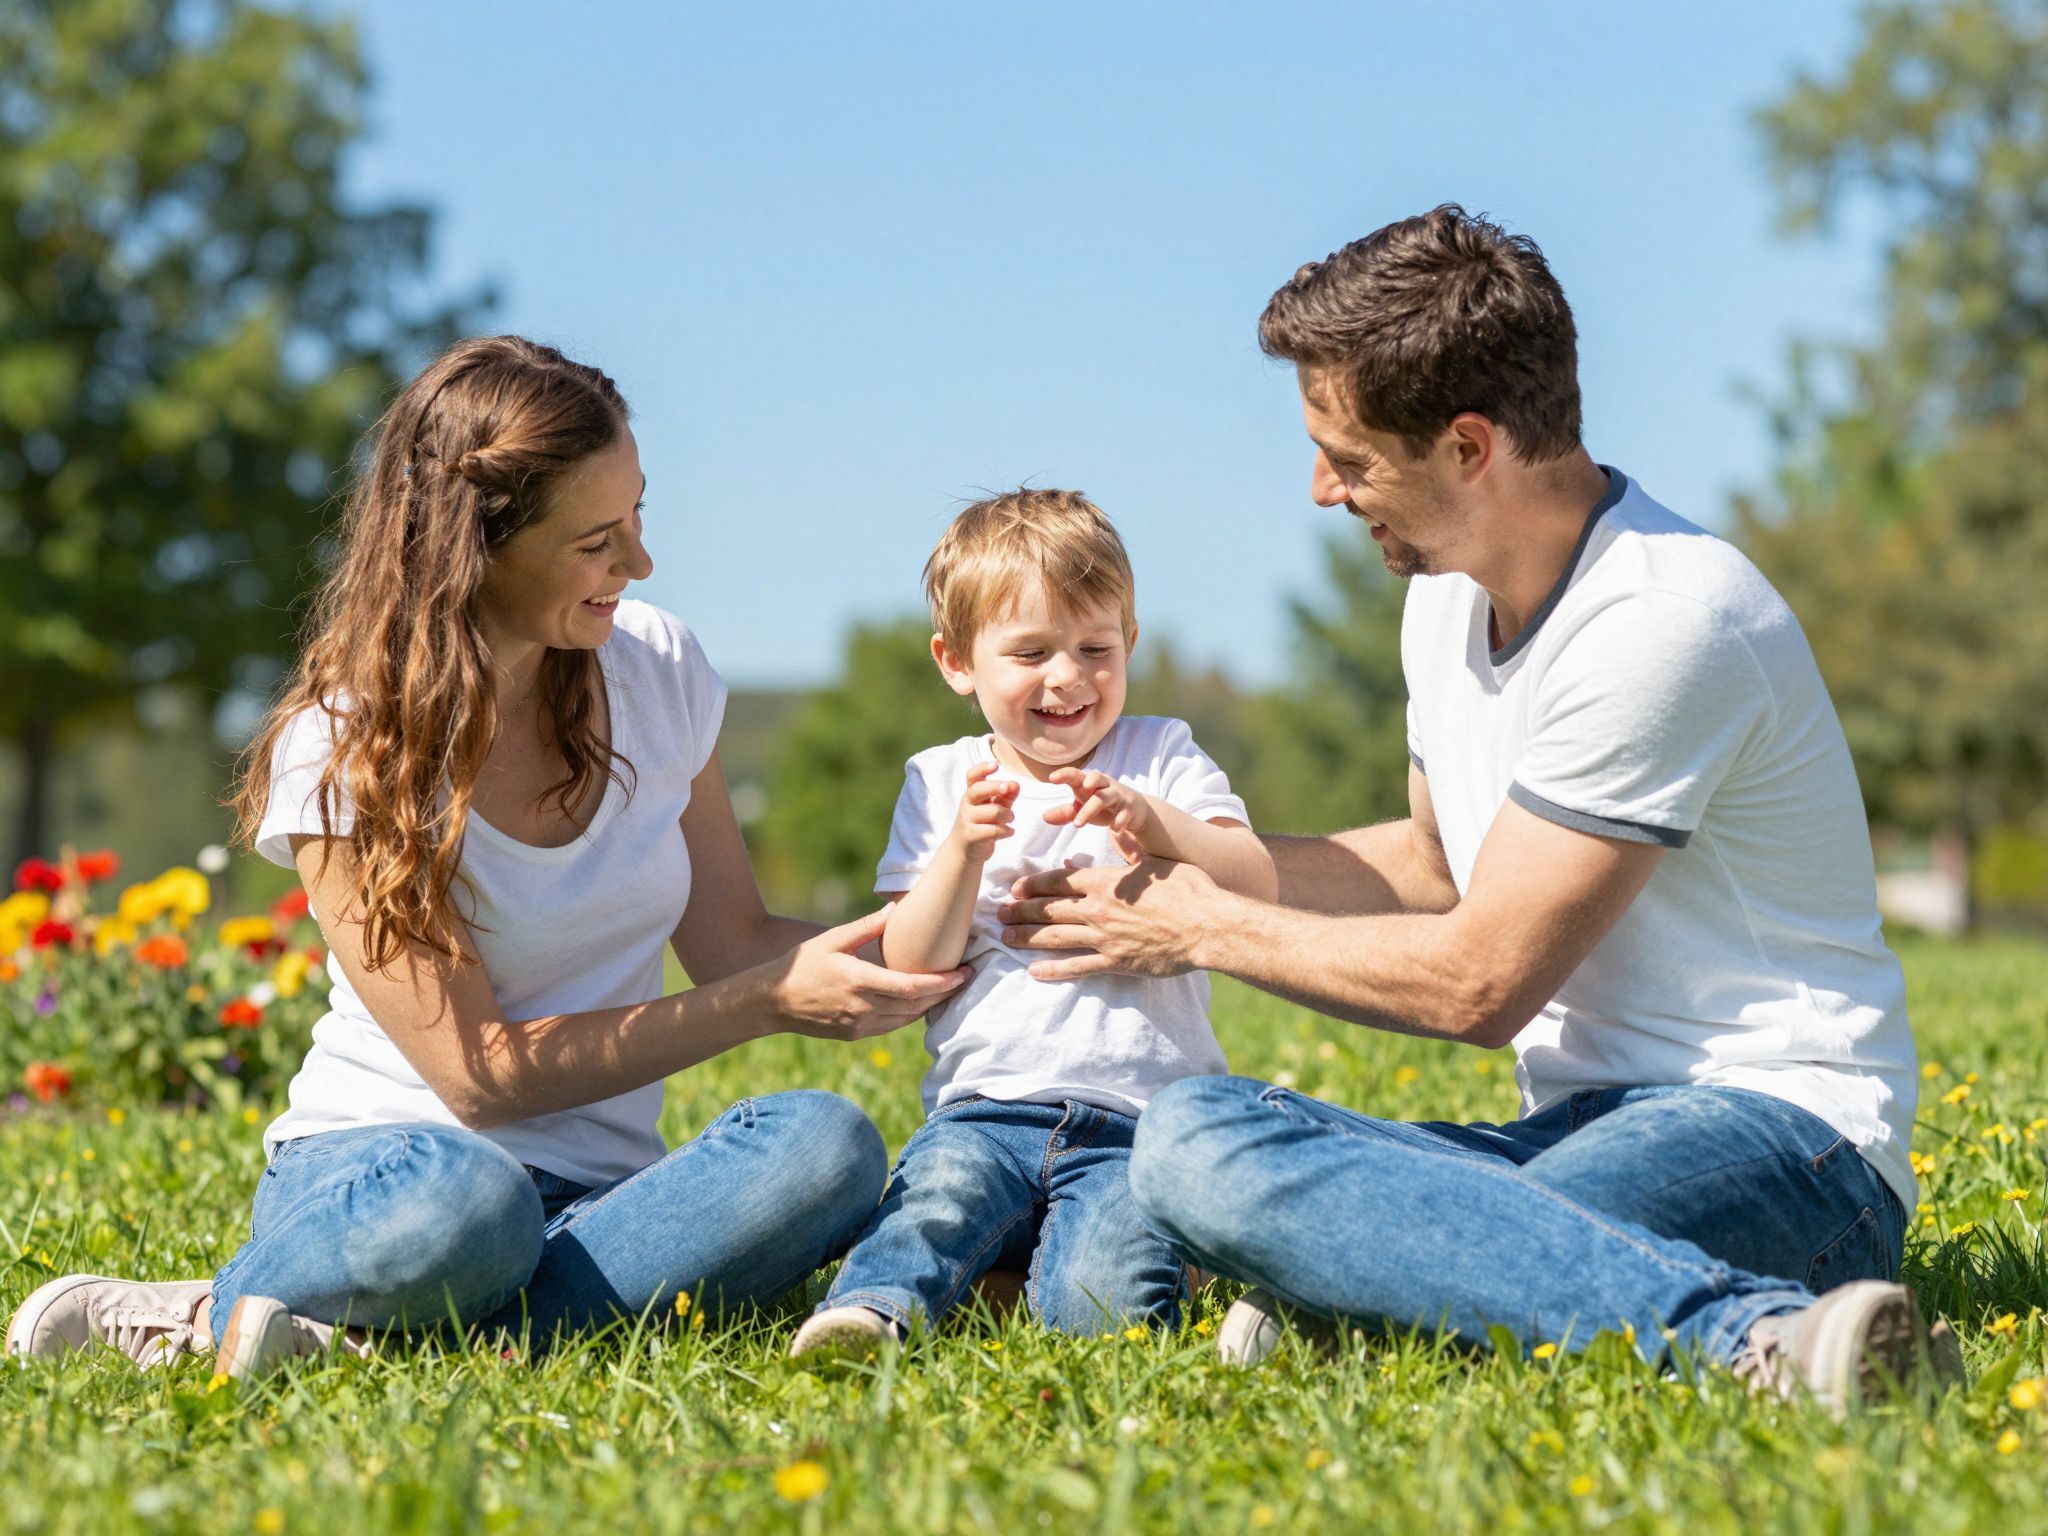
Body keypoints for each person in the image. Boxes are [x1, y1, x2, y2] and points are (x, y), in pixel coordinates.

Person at [999, 208, 1947, 1413]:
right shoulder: (1441, 597)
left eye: (1348, 460)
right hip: (1569, 1133)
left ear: (1465, 446)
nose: (1322, 490)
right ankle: (1402, 1287)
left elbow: (1477, 984)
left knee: (1470, 1229)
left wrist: (1197, 928)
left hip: (1782, 1138)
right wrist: (1179, 856)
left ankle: (1754, 1344)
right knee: (1190, 1140)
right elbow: (1431, 866)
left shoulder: (1663, 620)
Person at [5, 336, 963, 1381]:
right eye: (596, 541)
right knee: (477, 1202)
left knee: (826, 1145)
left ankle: (377, 1340)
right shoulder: (344, 747)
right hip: (396, 1178)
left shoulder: (657, 668)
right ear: (476, 550)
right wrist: (765, 1003)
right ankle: (217, 1309)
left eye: (638, 516)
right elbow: (479, 1077)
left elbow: (736, 937)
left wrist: (979, 934)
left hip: (597, 1201)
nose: (638, 563)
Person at [788, 490, 1275, 1357]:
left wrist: (1158, 824)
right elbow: (910, 959)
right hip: (983, 1113)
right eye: (1030, 652)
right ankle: (872, 1314)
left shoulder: (1160, 754)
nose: (1068, 677)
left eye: (1096, 649)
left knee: (1100, 1312)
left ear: (1130, 643)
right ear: (956, 662)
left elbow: (1255, 882)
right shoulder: (942, 781)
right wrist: (960, 855)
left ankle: (1093, 1283)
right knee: (932, 1208)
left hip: (1139, 1123)